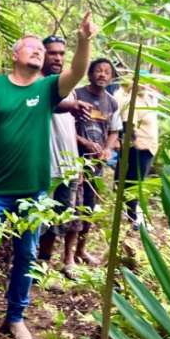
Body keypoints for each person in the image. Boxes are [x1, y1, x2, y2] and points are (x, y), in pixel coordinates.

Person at [0, 14, 97, 339]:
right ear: (15, 55)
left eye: (40, 50)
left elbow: (76, 72)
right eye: (30, 47)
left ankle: (15, 318)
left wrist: (84, 39)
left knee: (27, 256)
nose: (38, 52)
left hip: (33, 193)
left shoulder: (47, 89)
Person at [36, 34, 91, 281]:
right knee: (39, 218)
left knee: (59, 219)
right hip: (43, 166)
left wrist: (77, 162)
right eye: (52, 52)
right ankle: (34, 265)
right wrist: (70, 106)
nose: (57, 57)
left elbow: (69, 125)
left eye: (61, 53)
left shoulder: (68, 88)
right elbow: (53, 103)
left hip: (68, 165)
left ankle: (45, 263)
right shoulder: (36, 83)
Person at [74, 58, 120, 265]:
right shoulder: (77, 95)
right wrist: (83, 142)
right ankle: (63, 254)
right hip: (73, 159)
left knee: (89, 207)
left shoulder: (112, 102)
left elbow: (114, 131)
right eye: (98, 71)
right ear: (90, 74)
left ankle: (81, 250)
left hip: (97, 163)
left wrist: (108, 149)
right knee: (72, 206)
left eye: (106, 72)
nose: (102, 75)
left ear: (111, 77)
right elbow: (64, 126)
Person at [114, 76, 159, 228]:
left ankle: (132, 214)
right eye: (139, 81)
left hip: (149, 148)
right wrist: (134, 144)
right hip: (138, 149)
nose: (143, 85)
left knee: (137, 182)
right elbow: (128, 125)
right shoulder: (131, 101)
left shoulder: (147, 99)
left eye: (145, 81)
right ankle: (132, 217)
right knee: (134, 183)